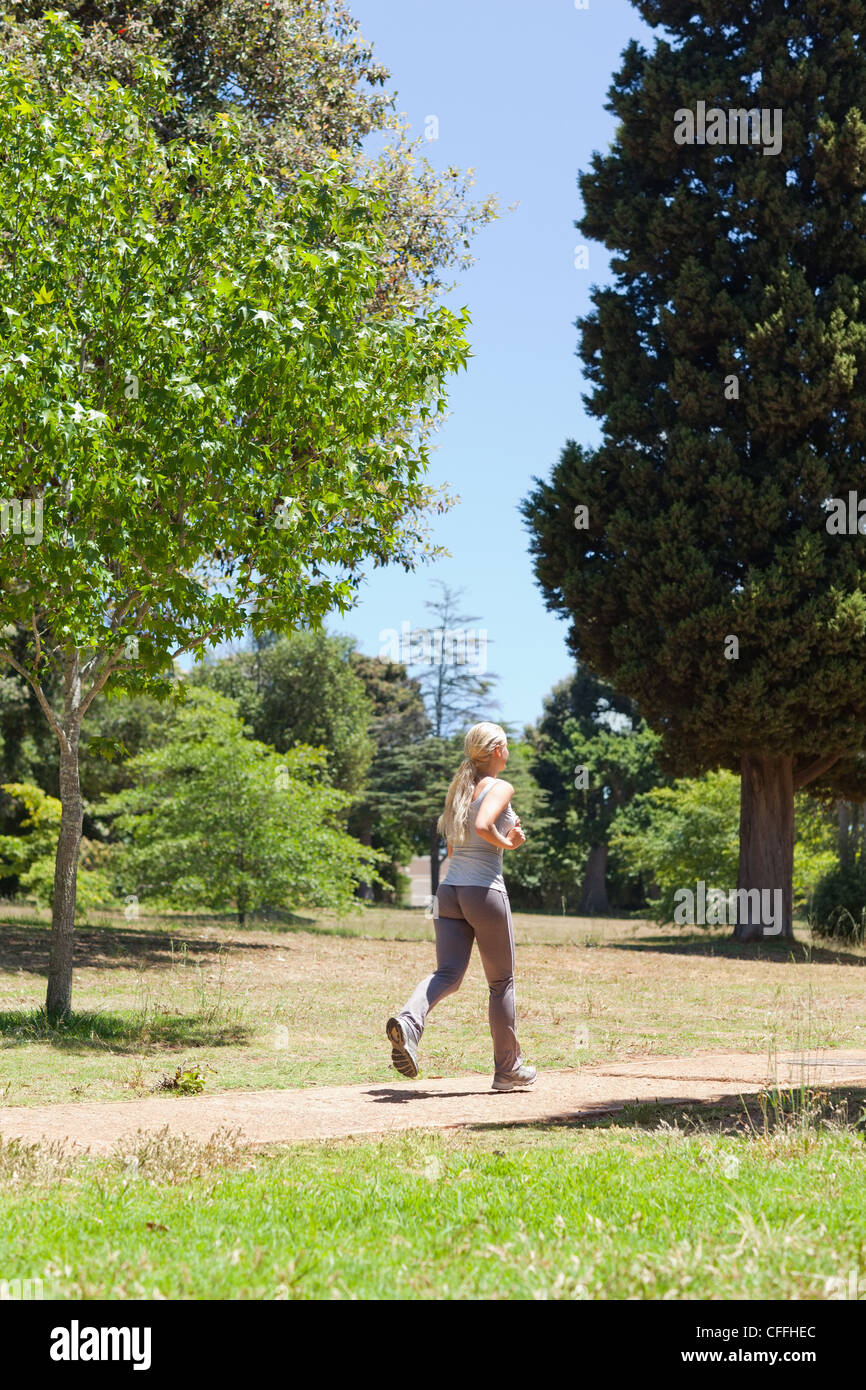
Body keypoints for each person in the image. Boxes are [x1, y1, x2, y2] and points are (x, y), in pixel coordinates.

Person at [385, 721, 537, 1092]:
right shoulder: (500, 786)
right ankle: (508, 1070)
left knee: (447, 974)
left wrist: (496, 839)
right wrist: (510, 842)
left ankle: (408, 1023)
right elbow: (485, 826)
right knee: (501, 983)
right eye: (506, 744)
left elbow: (454, 848)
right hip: (483, 891)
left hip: (449, 891)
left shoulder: (461, 789)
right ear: (497, 750)